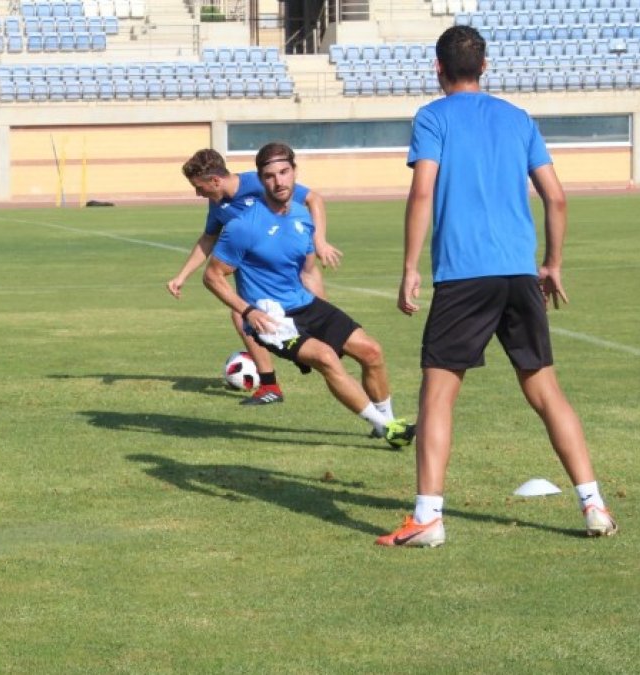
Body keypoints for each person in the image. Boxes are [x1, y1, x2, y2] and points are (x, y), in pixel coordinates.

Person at [377, 26, 616, 548]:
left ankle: (428, 517)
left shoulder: (432, 117)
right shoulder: (517, 118)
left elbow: (422, 193)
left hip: (464, 275)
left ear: (437, 69)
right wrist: (551, 263)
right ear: (485, 66)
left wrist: (410, 267)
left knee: (438, 393)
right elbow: (555, 198)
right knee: (545, 391)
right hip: (518, 273)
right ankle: (593, 503)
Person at [202, 142, 412, 448]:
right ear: (260, 180)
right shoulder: (242, 226)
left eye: (284, 172)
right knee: (327, 358)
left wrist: (324, 312)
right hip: (272, 319)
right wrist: (248, 313)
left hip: (306, 305)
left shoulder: (303, 216)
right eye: (270, 176)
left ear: (295, 172)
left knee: (372, 352)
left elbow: (308, 270)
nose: (279, 181)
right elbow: (212, 276)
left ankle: (385, 421)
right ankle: (388, 427)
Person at [171, 148, 343, 406]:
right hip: (257, 273)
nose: (198, 193)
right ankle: (270, 385)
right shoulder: (217, 203)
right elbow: (209, 238)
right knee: (241, 313)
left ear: (215, 180)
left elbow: (314, 199)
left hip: (289, 264)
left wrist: (319, 240)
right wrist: (182, 276)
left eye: (199, 187)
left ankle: (322, 357)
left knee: (323, 329)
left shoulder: (257, 182)